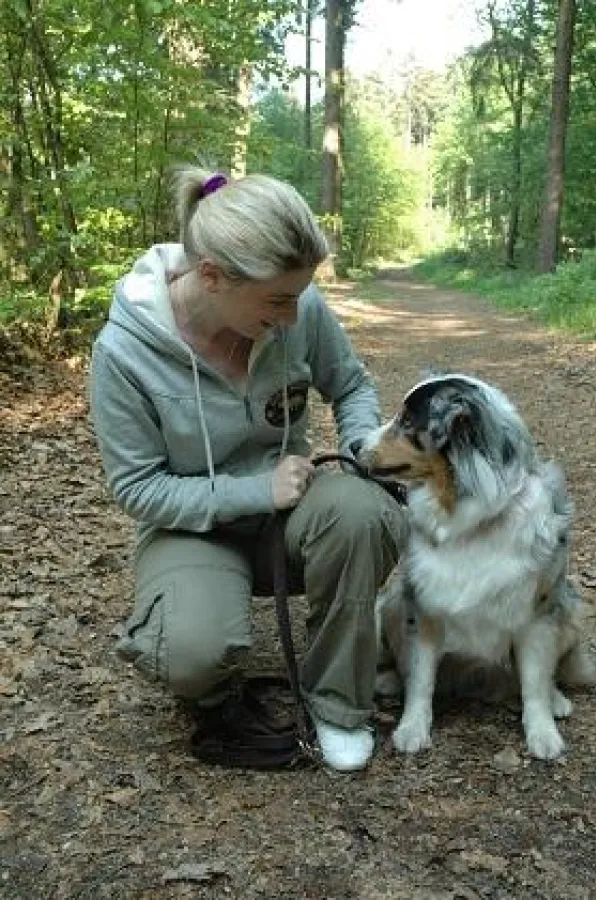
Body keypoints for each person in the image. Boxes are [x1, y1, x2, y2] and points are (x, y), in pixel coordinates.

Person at [90, 165, 408, 772]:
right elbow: (138, 488)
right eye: (278, 301)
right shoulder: (124, 353)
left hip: (293, 511)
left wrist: (363, 448)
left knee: (364, 514)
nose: (293, 316)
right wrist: (255, 489)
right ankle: (216, 696)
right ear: (212, 277)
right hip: (194, 529)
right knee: (191, 651)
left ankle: (338, 707)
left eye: (299, 297)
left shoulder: (299, 306)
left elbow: (351, 385)